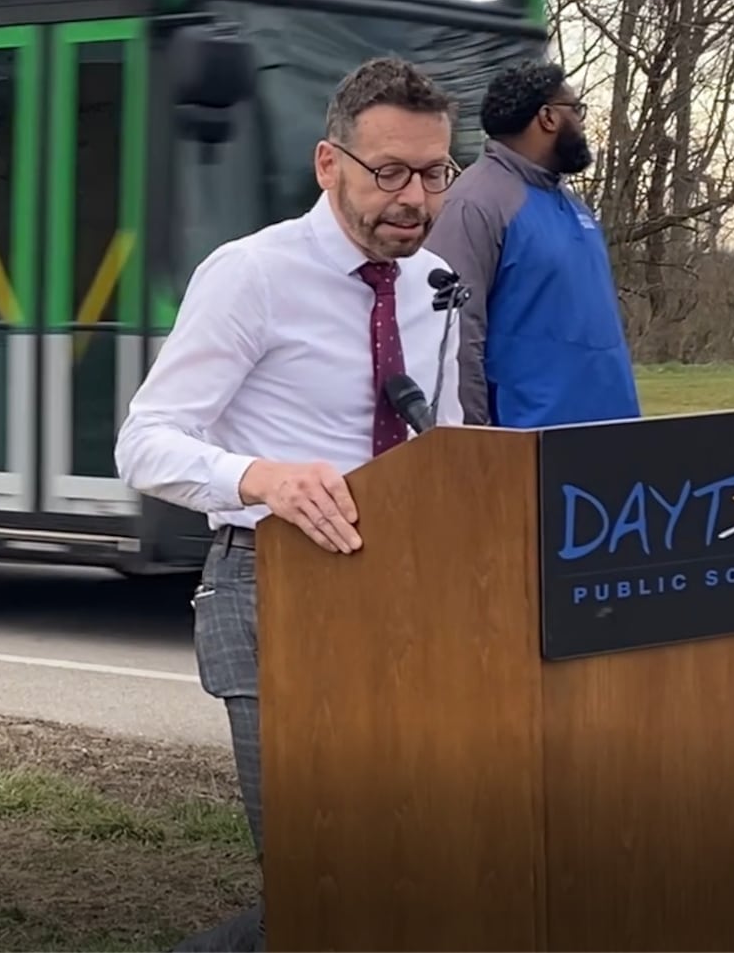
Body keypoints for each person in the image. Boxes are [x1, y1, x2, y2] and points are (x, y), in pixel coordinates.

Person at [115, 57, 465, 952]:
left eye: (434, 173)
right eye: (389, 172)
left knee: (407, 870)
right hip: (270, 594)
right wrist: (263, 478)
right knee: (322, 885)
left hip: (405, 599)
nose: (414, 199)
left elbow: (447, 446)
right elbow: (145, 443)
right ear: (328, 164)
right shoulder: (249, 275)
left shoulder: (436, 287)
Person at [426, 59, 641, 428]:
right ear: (548, 117)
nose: (582, 121)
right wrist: (475, 447)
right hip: (529, 447)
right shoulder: (475, 203)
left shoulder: (573, 205)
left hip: (609, 439)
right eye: (576, 109)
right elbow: (456, 336)